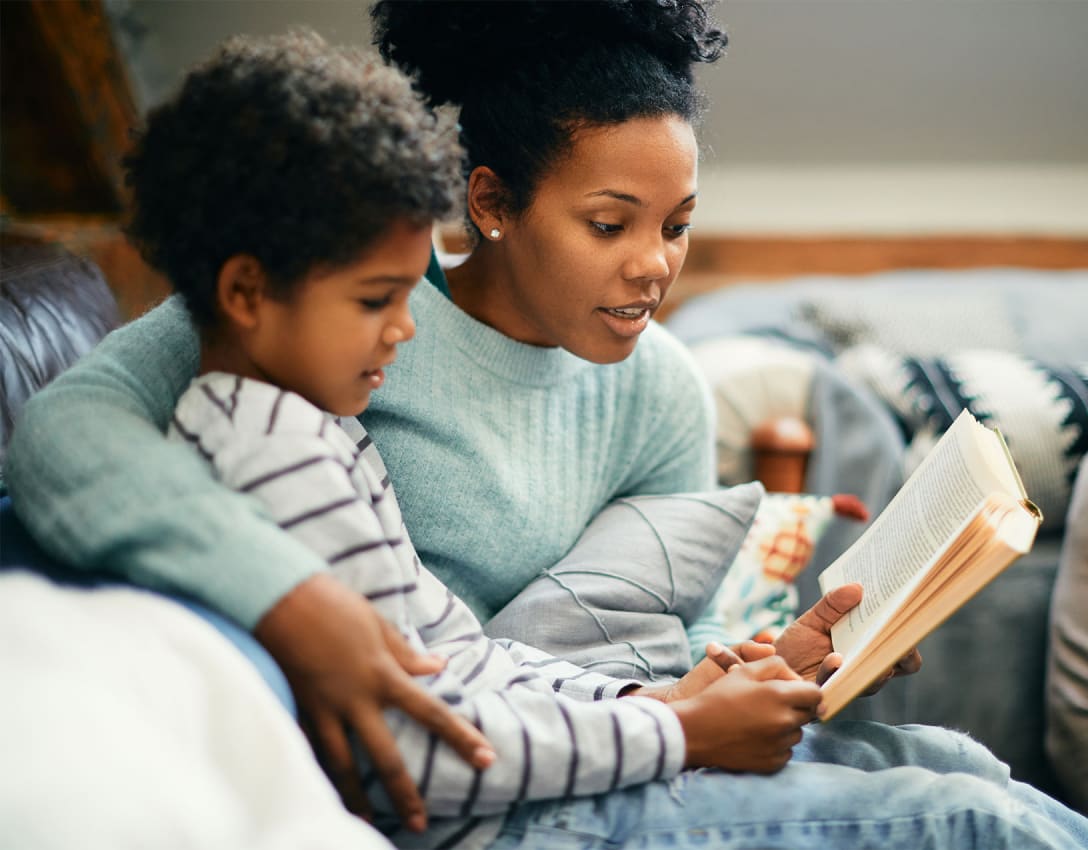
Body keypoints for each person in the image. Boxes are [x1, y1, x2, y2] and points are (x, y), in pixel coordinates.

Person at [5, 4, 1082, 847]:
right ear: (488, 202)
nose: (655, 264)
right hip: (498, 793)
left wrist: (761, 668)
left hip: (583, 731)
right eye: (610, 223)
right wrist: (290, 605)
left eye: (678, 227)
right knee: (971, 826)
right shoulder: (324, 306)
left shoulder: (655, 389)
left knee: (962, 766)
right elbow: (61, 439)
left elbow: (582, 636)